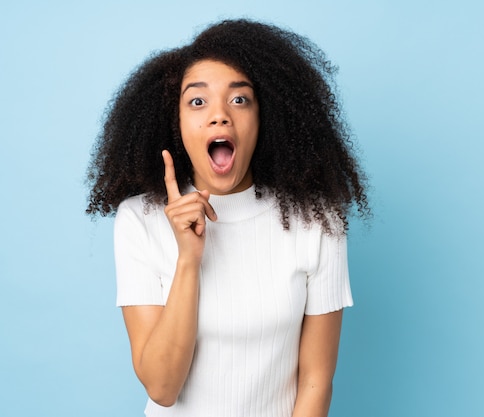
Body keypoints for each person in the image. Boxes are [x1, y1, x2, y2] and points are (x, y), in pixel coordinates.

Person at [86, 19, 369, 417]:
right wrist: (188, 258)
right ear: (175, 124)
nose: (219, 116)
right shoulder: (140, 219)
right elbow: (162, 388)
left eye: (239, 100)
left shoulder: (318, 220)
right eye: (197, 102)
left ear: (265, 116)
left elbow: (315, 381)